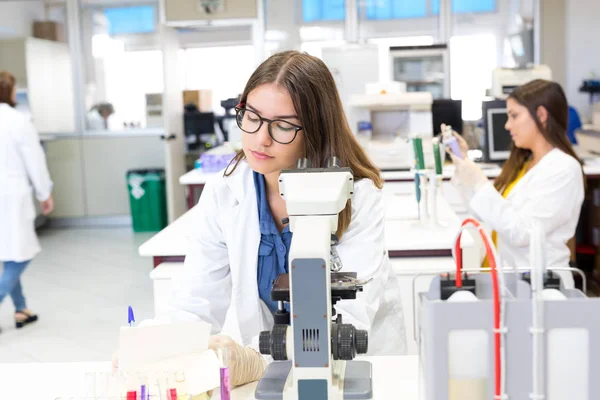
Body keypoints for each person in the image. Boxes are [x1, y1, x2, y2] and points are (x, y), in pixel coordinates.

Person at [169, 51, 407, 386]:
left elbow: (351, 319)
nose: (260, 138)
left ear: (315, 128)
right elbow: (196, 300)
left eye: (282, 126)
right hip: (267, 371)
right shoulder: (225, 192)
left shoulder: (356, 196)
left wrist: (255, 359)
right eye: (252, 117)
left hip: (357, 370)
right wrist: (160, 350)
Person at [447, 79, 585, 289]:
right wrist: (464, 165)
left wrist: (479, 182)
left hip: (540, 287)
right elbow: (489, 215)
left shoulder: (563, 169)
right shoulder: (523, 164)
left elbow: (523, 232)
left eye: (514, 115)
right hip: (505, 280)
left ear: (541, 115)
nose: (507, 125)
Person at [0, 71, 54, 331]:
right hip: (12, 196)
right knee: (21, 254)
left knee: (9, 252)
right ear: (9, 91)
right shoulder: (18, 121)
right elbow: (35, 162)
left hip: (8, 196)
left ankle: (21, 309)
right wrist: (45, 193)